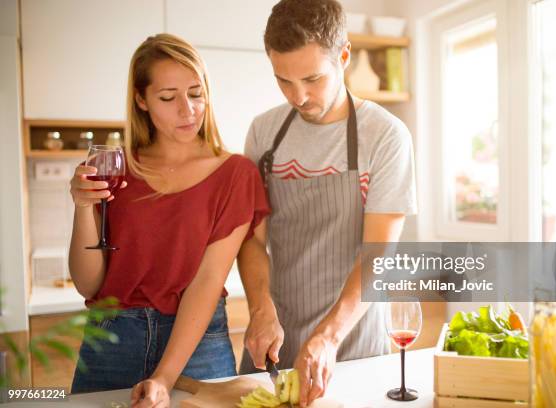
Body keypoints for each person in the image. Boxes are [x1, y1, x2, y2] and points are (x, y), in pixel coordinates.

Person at [68, 33, 269, 408]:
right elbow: (89, 283)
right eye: (168, 97)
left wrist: (164, 377)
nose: (188, 109)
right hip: (111, 338)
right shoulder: (113, 169)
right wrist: (82, 206)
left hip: (198, 343)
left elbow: (207, 281)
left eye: (195, 93)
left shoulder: (235, 174)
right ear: (141, 100)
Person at [237, 0, 418, 406]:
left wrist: (329, 335)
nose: (298, 96)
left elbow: (379, 255)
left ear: (344, 56)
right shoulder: (264, 133)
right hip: (275, 340)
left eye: (312, 79)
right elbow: (252, 239)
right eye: (283, 80)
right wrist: (260, 308)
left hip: (352, 344)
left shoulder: (386, 137)